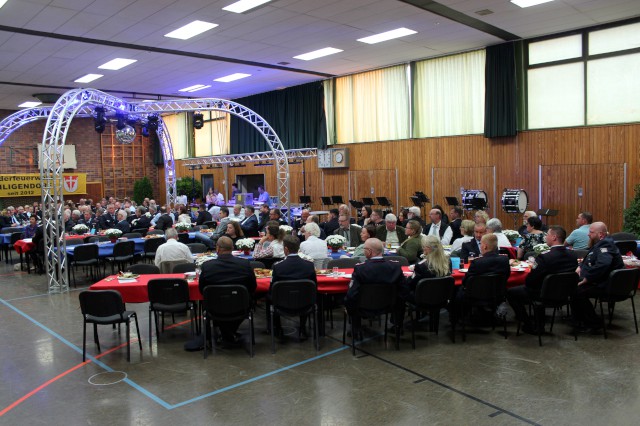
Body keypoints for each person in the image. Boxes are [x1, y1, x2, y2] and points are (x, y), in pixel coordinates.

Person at [507, 226, 578, 334]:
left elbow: (531, 280)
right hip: (564, 294)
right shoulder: (573, 255)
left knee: (510, 293)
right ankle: (538, 322)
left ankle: (528, 323)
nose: (546, 237)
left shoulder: (545, 257)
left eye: (548, 235)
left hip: (543, 294)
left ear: (554, 237)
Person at [198, 236, 257, 345]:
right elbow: (252, 287)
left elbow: (202, 290)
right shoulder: (244, 264)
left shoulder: (207, 266)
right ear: (232, 248)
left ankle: (227, 333)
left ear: (218, 248)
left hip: (214, 307)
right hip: (240, 306)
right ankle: (229, 333)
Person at [344, 238, 405, 337]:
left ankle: (356, 328)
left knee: (351, 300)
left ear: (369, 252)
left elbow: (352, 294)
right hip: (389, 306)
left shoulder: (360, 269)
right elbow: (403, 289)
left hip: (363, 308)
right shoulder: (395, 267)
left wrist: (346, 305)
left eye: (364, 249)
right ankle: (398, 326)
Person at [571, 222, 624, 333]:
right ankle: (579, 319)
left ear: (600, 234)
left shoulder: (605, 245)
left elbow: (603, 264)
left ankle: (593, 323)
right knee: (575, 288)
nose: (588, 234)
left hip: (608, 285)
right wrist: (580, 266)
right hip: (604, 281)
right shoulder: (602, 243)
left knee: (577, 291)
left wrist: (587, 278)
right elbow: (590, 259)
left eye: (591, 232)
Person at [268, 235, 317, 339]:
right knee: (305, 293)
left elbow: (273, 289)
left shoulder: (278, 266)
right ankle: (303, 328)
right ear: (298, 248)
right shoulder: (309, 265)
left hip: (282, 304)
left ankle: (278, 329)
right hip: (305, 304)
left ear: (285, 249)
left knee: (270, 298)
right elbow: (314, 286)